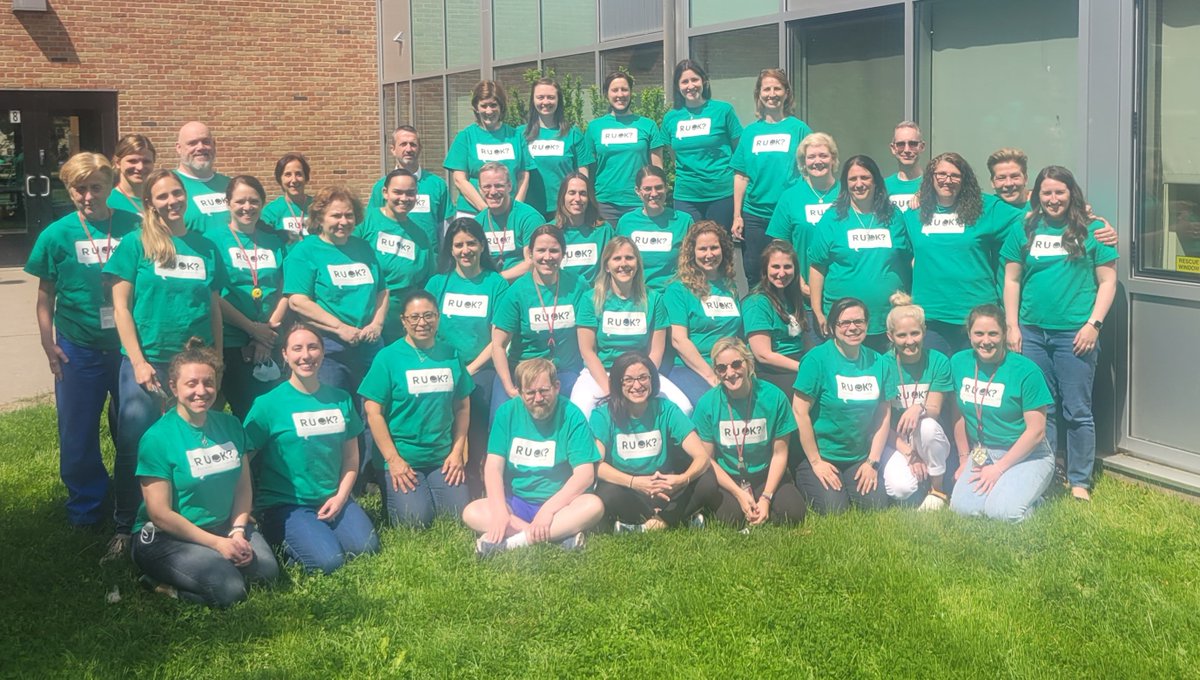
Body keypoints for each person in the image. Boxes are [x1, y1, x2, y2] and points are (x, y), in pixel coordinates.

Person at [104, 168, 224, 562]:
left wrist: (217, 358)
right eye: (163, 196)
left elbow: (213, 307)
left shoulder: (205, 246)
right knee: (135, 442)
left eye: (177, 194)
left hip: (193, 364)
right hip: (149, 361)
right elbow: (120, 307)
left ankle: (189, 518)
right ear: (149, 203)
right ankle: (125, 527)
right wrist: (137, 361)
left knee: (190, 443)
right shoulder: (135, 244)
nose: (172, 201)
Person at [25, 152, 140, 530]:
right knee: (77, 429)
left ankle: (137, 499)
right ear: (69, 190)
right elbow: (46, 295)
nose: (88, 196)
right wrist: (48, 343)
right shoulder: (56, 234)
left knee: (135, 426)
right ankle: (86, 506)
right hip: (78, 346)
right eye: (80, 188)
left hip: (129, 348)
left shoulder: (135, 226)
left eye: (96, 187)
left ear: (110, 186)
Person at [131, 339, 279, 607]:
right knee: (230, 589)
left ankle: (214, 561)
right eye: (191, 384)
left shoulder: (231, 425)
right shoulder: (157, 439)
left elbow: (243, 487)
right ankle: (161, 585)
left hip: (224, 526)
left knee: (267, 573)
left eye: (208, 382)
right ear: (173, 387)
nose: (202, 391)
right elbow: (160, 514)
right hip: (168, 537)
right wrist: (217, 544)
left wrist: (236, 531)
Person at [1002, 166, 1118, 502]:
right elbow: (1012, 280)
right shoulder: (1025, 229)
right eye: (1047, 193)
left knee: (1077, 409)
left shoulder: (1094, 230)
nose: (1053, 199)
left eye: (1060, 192)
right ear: (1036, 196)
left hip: (1076, 334)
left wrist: (1093, 324)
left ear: (1072, 194)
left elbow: (1108, 282)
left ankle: (1080, 480)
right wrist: (1012, 326)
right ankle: (1048, 473)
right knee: (1043, 409)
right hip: (1033, 333)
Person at [244, 324, 380, 573]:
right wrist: (243, 508)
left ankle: (318, 533)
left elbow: (351, 457)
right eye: (297, 349)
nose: (305, 355)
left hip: (332, 497)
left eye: (313, 347)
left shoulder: (340, 398)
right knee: (329, 562)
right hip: (287, 505)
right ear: (284, 354)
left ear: (323, 351)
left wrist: (340, 498)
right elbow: (242, 458)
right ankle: (280, 533)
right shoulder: (267, 405)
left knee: (366, 548)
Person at [462, 358, 604, 556]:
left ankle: (513, 542)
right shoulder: (507, 413)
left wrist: (548, 511)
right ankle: (560, 536)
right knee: (471, 512)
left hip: (560, 505)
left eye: (544, 390)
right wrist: (501, 511)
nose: (538, 398)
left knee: (593, 506)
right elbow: (493, 467)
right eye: (530, 393)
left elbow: (585, 475)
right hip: (517, 503)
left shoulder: (572, 415)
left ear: (556, 387)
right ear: (519, 392)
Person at [361, 291, 473, 527]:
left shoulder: (451, 354)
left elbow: (462, 406)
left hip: (442, 457)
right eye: (414, 317)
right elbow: (373, 412)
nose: (422, 323)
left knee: (458, 516)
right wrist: (393, 460)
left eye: (429, 316)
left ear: (438, 317)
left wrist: (457, 452)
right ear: (403, 321)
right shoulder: (388, 358)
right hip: (403, 457)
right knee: (415, 520)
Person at [902, 152, 1024, 357]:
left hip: (978, 316)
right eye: (940, 174)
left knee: (974, 384)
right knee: (938, 382)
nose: (947, 180)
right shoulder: (914, 216)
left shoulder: (986, 208)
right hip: (931, 317)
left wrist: (1084, 217)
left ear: (964, 179)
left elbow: (1030, 218)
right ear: (930, 178)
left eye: (955, 175)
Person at [425, 218, 510, 497]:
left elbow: (498, 337)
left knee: (477, 419)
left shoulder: (495, 283)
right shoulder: (438, 283)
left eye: (471, 243)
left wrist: (470, 369)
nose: (465, 250)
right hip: (443, 366)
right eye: (458, 244)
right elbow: (427, 329)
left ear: (482, 245)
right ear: (450, 249)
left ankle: (479, 480)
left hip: (481, 368)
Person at [948, 305, 1055, 522]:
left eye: (993, 333)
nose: (985, 341)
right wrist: (963, 458)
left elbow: (1036, 431)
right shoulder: (959, 363)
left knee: (1003, 513)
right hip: (982, 452)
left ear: (1004, 334)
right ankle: (1012, 492)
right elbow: (958, 413)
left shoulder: (1026, 371)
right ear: (969, 334)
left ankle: (1030, 499)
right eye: (979, 333)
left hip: (1028, 454)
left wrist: (998, 469)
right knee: (962, 509)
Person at [591, 352, 720, 531]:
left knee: (707, 480)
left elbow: (701, 456)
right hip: (630, 489)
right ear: (617, 382)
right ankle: (677, 518)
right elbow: (597, 465)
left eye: (643, 377)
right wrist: (634, 482)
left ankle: (650, 524)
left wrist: (681, 480)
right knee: (607, 492)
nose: (637, 385)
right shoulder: (603, 415)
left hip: (667, 487)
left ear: (652, 379)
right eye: (628, 379)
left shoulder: (666, 409)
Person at [791, 297, 893, 514]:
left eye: (859, 321)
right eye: (844, 323)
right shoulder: (816, 360)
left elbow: (884, 415)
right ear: (831, 326)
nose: (852, 328)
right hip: (821, 455)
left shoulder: (880, 362)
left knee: (876, 506)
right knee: (835, 509)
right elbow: (800, 412)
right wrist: (816, 462)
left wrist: (872, 462)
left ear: (867, 324)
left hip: (859, 457)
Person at [283, 185, 387, 395]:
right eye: (336, 215)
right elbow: (298, 301)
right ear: (320, 218)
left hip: (368, 345)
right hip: (329, 347)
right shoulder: (305, 251)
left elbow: (382, 291)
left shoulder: (363, 248)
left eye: (349, 215)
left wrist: (376, 324)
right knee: (335, 408)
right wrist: (340, 328)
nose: (344, 222)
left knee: (373, 410)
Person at [572, 236, 690, 419]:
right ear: (606, 266)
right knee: (581, 412)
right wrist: (610, 388)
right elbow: (587, 351)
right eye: (617, 259)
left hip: (641, 372)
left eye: (629, 258)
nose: (623, 264)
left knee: (684, 408)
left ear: (637, 263)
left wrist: (641, 380)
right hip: (602, 372)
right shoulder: (591, 299)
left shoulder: (653, 299)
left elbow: (656, 351)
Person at [693, 338, 807, 527]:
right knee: (731, 520)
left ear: (748, 363)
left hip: (765, 475)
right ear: (716, 371)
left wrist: (766, 498)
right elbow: (708, 460)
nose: (730, 373)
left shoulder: (774, 397)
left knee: (794, 514)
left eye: (736, 364)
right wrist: (738, 494)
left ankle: (763, 509)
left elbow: (780, 453)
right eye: (722, 368)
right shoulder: (707, 403)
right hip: (729, 478)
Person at [808, 154, 911, 352]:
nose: (859, 184)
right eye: (852, 179)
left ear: (876, 182)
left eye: (865, 178)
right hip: (845, 321)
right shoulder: (832, 218)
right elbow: (817, 266)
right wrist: (817, 311)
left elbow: (908, 259)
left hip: (888, 318)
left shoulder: (894, 216)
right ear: (845, 184)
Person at [207, 176, 288, 419]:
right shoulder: (212, 240)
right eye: (240, 201)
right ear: (228, 203)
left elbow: (287, 290)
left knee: (268, 416)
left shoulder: (273, 242)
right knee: (233, 413)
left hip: (269, 340)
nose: (247, 207)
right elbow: (213, 295)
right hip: (230, 341)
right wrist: (252, 329)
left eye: (254, 201)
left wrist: (265, 334)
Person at [491, 225, 585, 415]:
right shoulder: (517, 291)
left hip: (565, 372)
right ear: (530, 254)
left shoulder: (578, 285)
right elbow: (498, 345)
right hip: (523, 371)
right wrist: (510, 388)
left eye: (554, 250)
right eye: (541, 250)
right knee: (502, 415)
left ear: (564, 253)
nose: (547, 257)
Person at [731, 69, 813, 285]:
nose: (772, 93)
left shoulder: (800, 129)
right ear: (759, 94)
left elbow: (811, 170)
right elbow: (741, 175)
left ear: (786, 93)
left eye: (777, 88)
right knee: (756, 273)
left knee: (789, 272)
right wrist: (737, 215)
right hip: (755, 215)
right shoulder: (750, 133)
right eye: (766, 89)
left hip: (788, 213)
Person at [880, 293, 954, 509]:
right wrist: (909, 454)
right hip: (895, 440)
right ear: (890, 336)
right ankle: (919, 481)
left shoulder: (938, 361)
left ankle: (937, 489)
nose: (909, 341)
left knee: (928, 426)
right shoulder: (883, 365)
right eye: (902, 335)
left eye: (915, 333)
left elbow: (934, 409)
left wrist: (918, 408)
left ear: (924, 332)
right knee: (901, 490)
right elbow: (881, 423)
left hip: (927, 436)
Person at [666, 221, 743, 405]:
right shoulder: (678, 289)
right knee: (711, 403)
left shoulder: (729, 286)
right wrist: (711, 376)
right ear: (692, 252)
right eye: (702, 249)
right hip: (692, 368)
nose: (709, 254)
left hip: (730, 366)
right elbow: (679, 340)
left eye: (714, 248)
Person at [661, 59, 742, 231]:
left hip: (721, 193)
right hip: (686, 195)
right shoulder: (670, 118)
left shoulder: (723, 110)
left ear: (704, 81)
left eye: (694, 80)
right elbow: (675, 155)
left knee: (719, 245)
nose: (690, 86)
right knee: (690, 246)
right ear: (677, 86)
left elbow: (739, 153)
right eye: (684, 81)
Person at [358, 168, 436, 341]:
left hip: (399, 321)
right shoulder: (365, 220)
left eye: (410, 193)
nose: (404, 198)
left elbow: (427, 280)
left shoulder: (420, 236)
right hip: (364, 314)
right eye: (398, 192)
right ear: (385, 193)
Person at [581, 71, 666, 223]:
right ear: (606, 93)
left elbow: (657, 167)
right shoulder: (594, 127)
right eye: (615, 90)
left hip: (640, 202)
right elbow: (587, 167)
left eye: (624, 89)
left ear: (631, 92)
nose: (620, 94)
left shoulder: (647, 125)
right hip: (605, 203)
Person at [766, 132, 842, 291]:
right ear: (803, 162)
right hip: (802, 289)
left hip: (841, 287)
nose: (818, 161)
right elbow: (780, 245)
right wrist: (796, 280)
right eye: (811, 157)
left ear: (833, 159)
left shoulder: (846, 193)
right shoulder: (790, 197)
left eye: (823, 155)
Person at [445, 80, 533, 215]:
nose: (489, 111)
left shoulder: (515, 136)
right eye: (484, 106)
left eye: (493, 105)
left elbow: (524, 175)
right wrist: (486, 211)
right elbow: (459, 180)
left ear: (501, 107)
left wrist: (516, 208)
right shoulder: (465, 137)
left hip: (510, 213)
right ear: (476, 107)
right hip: (473, 212)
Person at [741, 241, 807, 397]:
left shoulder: (792, 297)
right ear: (765, 269)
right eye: (776, 267)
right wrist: (804, 368)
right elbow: (763, 355)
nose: (782, 273)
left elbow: (805, 339)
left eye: (787, 267)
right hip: (773, 369)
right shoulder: (757, 302)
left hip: (797, 360)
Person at [368, 125, 455, 243]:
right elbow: (372, 224)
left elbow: (446, 229)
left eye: (413, 144)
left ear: (420, 149)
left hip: (428, 258)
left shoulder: (437, 185)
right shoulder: (381, 187)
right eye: (403, 144)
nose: (408, 149)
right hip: (391, 258)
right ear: (393, 149)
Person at [615, 165, 694, 291]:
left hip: (673, 293)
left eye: (658, 187)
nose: (654, 193)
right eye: (647, 189)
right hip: (636, 294)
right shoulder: (626, 222)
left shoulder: (684, 221)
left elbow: (694, 263)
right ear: (637, 191)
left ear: (666, 188)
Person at [519, 77, 587, 220]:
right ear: (533, 100)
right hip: (529, 210)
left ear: (558, 100)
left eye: (551, 97)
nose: (545, 102)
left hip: (564, 210)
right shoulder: (520, 134)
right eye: (540, 97)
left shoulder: (573, 133)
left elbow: (583, 174)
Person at [475, 162, 544, 281]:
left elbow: (532, 262)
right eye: (487, 187)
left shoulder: (529, 217)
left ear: (510, 186)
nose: (493, 192)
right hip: (490, 285)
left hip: (521, 285)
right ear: (480, 189)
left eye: (499, 186)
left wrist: (498, 280)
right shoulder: (478, 222)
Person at [553, 172, 614, 285]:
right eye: (572, 193)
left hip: (595, 297)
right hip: (562, 295)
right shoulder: (550, 231)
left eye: (583, 194)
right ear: (563, 197)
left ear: (589, 198)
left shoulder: (604, 230)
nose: (577, 198)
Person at [173, 121, 231, 232]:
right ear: (179, 148)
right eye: (192, 143)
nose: (200, 147)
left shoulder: (231, 185)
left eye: (206, 142)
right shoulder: (167, 185)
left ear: (214, 145)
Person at [260, 153, 313, 245]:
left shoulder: (318, 207)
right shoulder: (271, 211)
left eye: (298, 174)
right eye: (288, 175)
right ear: (280, 179)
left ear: (306, 178)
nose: (294, 180)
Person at [108, 134, 155, 218]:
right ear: (117, 163)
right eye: (132, 161)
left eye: (146, 161)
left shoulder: (161, 199)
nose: (140, 167)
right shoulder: (108, 202)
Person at [883, 121, 925, 213]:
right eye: (901, 144)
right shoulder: (883, 186)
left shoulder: (933, 184)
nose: (907, 150)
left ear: (922, 147)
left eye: (913, 144)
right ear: (893, 148)